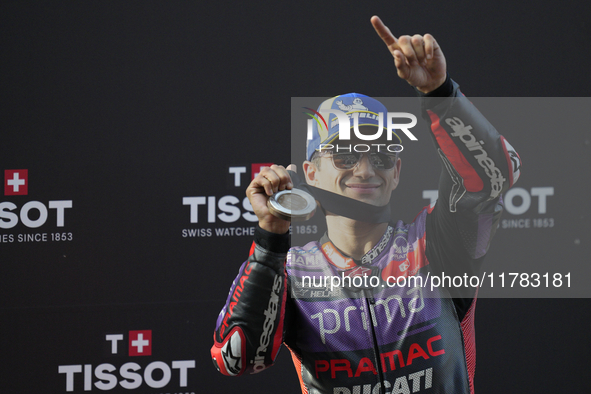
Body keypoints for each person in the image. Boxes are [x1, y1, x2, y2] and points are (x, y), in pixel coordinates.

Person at [211, 15, 521, 394]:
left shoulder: (435, 247)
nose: (364, 168)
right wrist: (271, 237)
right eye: (344, 154)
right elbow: (237, 357)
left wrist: (440, 94)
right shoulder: (292, 274)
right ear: (311, 172)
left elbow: (492, 177)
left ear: (397, 172)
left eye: (381, 156)